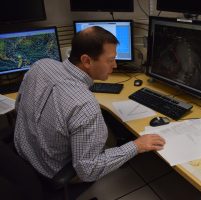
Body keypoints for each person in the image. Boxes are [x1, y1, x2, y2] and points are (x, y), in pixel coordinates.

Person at [14, 26, 165, 182]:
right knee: (112, 138)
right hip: (52, 171)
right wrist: (137, 146)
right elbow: (88, 171)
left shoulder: (41, 65)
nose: (115, 66)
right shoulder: (84, 105)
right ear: (86, 61)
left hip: (23, 153)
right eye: (110, 60)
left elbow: (19, 107)